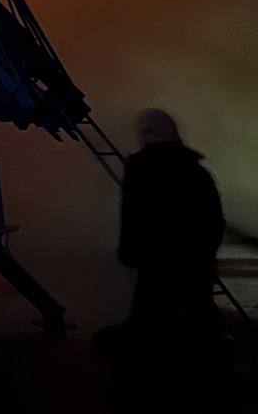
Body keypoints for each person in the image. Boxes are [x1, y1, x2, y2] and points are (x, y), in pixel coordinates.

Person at [97, 108, 227, 370]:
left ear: (147, 133)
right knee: (199, 310)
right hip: (196, 262)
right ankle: (209, 358)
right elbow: (214, 221)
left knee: (152, 313)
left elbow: (134, 216)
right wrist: (204, 254)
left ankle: (154, 362)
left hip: (156, 263)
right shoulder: (197, 172)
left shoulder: (142, 171)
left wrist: (129, 252)